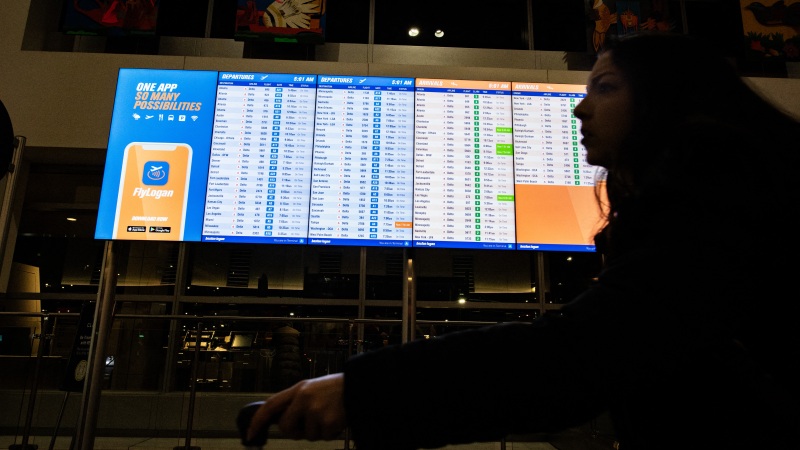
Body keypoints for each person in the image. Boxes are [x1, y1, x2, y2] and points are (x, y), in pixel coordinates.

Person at [246, 32, 800, 450]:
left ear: (668, 96)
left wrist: (363, 392)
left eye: (605, 87)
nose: (580, 107)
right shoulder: (724, 191)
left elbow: (580, 357)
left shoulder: (721, 195)